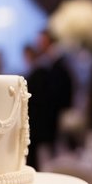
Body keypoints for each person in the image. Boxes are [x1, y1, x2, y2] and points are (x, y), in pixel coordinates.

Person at [26, 29, 73, 168]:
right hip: (46, 119)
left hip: (51, 117)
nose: (39, 45)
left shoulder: (57, 63)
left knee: (53, 156)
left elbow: (60, 91)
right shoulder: (45, 63)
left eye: (42, 42)